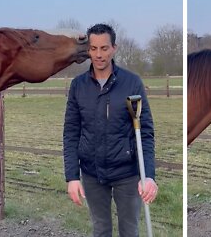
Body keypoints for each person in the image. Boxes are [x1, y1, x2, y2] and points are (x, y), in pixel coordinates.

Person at [63, 23, 158, 237]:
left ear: (114, 48)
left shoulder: (132, 83)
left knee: (129, 230)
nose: (98, 54)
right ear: (88, 50)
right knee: (101, 229)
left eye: (104, 48)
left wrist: (149, 176)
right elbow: (70, 133)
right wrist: (72, 176)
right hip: (92, 173)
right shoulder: (78, 86)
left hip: (127, 173)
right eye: (94, 48)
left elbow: (145, 132)